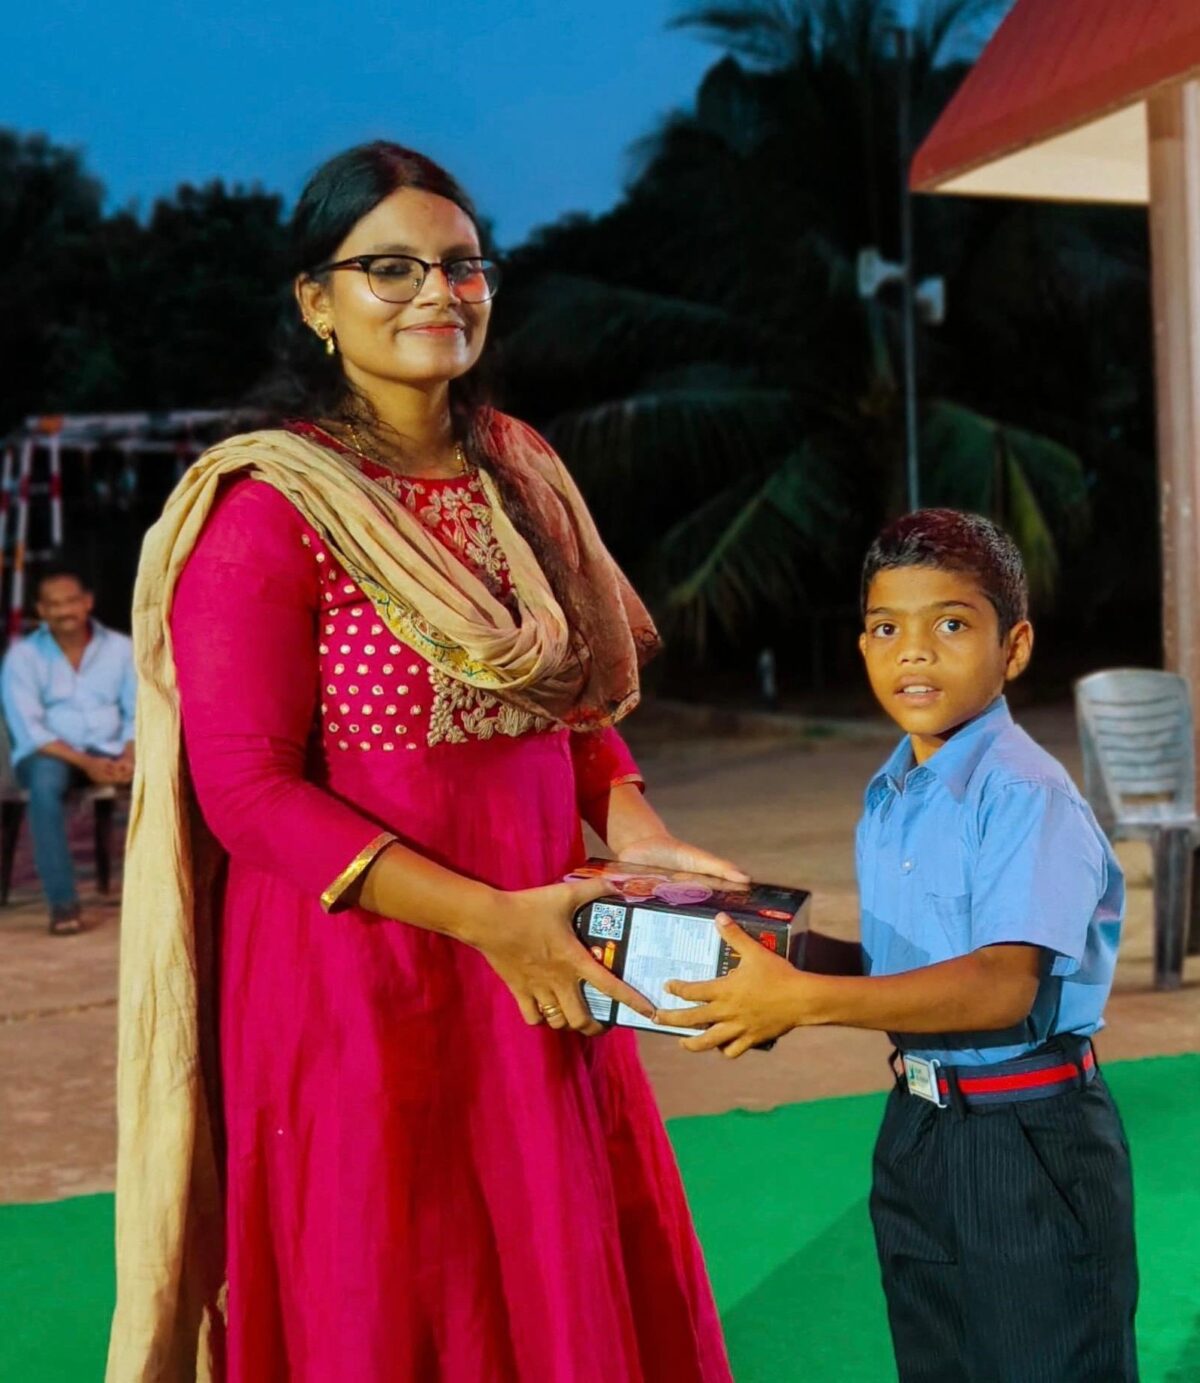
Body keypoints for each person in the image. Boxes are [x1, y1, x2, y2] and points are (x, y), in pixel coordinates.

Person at [107, 142, 738, 1383]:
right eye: (388, 268)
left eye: (460, 266)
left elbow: (568, 701)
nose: (436, 294)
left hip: (540, 944)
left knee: (555, 1253)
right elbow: (247, 791)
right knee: (392, 1278)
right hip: (362, 974)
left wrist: (638, 829)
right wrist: (488, 920)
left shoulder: (521, 468)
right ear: (315, 301)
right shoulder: (270, 505)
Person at [658, 510, 1138, 1381]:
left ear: (1015, 647)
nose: (914, 651)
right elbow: (906, 971)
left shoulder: (1024, 791)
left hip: (1028, 1134)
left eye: (951, 624)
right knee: (938, 1360)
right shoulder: (894, 792)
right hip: (919, 1126)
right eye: (888, 628)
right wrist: (783, 961)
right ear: (864, 647)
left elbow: (1000, 988)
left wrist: (806, 1001)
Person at [0, 567, 135, 934]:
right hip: (50, 754)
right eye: (54, 605)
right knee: (45, 786)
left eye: (72, 601)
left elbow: (137, 712)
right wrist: (87, 763)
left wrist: (129, 756)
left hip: (111, 748)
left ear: (87, 602)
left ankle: (168, 898)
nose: (65, 611)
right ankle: (63, 905)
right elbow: (31, 730)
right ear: (41, 611)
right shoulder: (23, 659)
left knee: (172, 778)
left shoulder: (121, 650)